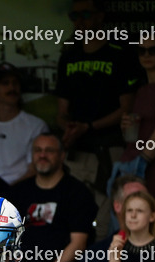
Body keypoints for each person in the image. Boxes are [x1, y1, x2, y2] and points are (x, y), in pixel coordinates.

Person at [57, 0, 143, 198]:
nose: (79, 21)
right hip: (78, 150)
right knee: (77, 207)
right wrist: (68, 128)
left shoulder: (119, 54)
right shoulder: (68, 57)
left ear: (100, 16)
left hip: (110, 147)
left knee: (111, 206)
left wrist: (89, 127)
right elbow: (61, 111)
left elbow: (127, 107)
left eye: (86, 15)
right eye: (74, 16)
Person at [8, 133, 96, 262]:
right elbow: (7, 236)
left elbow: (78, 244)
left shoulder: (78, 192)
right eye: (38, 150)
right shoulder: (18, 192)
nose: (42, 155)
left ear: (62, 156)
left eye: (49, 151)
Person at [0, 63, 48, 186]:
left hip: (23, 191)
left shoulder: (36, 126)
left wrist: (8, 192)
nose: (12, 87)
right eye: (5, 83)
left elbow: (35, 170)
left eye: (15, 83)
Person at [114, 38, 155, 211]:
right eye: (141, 51)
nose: (146, 55)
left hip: (149, 163)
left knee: (142, 213)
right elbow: (137, 130)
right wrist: (125, 126)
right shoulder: (142, 89)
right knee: (121, 214)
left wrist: (140, 163)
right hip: (129, 157)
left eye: (153, 50)